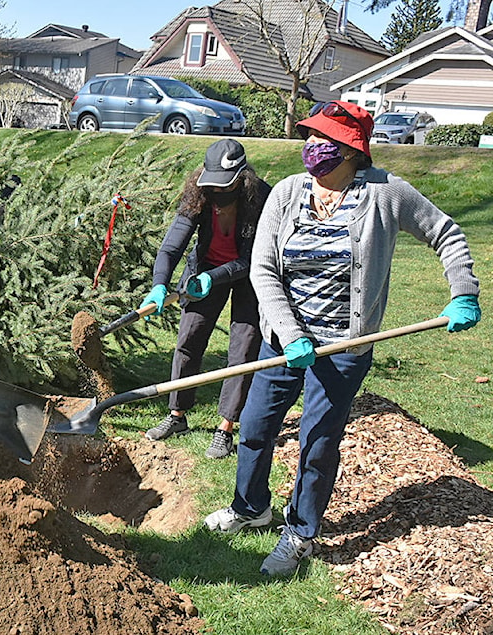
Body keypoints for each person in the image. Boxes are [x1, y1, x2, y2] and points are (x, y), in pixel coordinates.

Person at [204, 101, 481, 576]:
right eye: (311, 136)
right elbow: (263, 271)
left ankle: (300, 533)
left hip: (343, 349)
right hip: (283, 341)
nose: (313, 146)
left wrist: (464, 291)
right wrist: (290, 334)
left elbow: (446, 232)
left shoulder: (386, 193)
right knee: (253, 427)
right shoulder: (288, 192)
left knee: (317, 441)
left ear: (354, 152)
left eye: (326, 140)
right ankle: (252, 508)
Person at [139, 139, 271, 459]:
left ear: (242, 178)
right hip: (204, 270)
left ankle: (225, 428)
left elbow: (254, 259)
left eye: (224, 188)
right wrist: (160, 284)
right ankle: (177, 415)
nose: (217, 194)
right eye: (212, 187)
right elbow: (171, 247)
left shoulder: (262, 198)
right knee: (189, 340)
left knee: (243, 349)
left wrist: (216, 278)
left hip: (248, 277)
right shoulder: (198, 194)